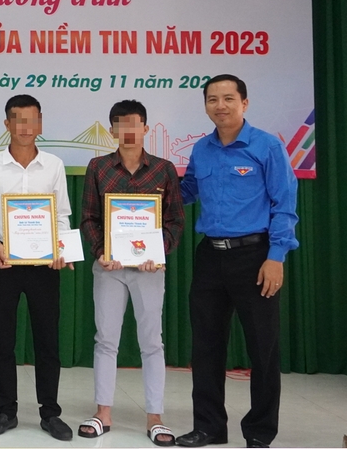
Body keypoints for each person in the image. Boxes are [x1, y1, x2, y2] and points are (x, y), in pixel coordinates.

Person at [176, 75, 298, 449]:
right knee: (206, 347)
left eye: (228, 98)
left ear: (244, 103)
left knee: (263, 348)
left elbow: (284, 204)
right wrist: (143, 197)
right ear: (205, 105)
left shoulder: (267, 146)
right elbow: (186, 191)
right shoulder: (202, 149)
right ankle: (209, 427)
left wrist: (276, 257)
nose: (220, 106)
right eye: (212, 99)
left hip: (255, 256)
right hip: (210, 257)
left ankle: (260, 432)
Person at [78, 100, 184, 446]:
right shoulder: (98, 167)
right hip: (109, 268)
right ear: (112, 130)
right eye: (120, 125)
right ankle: (103, 413)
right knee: (106, 339)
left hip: (148, 269)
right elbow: (89, 217)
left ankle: (155, 417)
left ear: (145, 129)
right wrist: (101, 251)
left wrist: (158, 251)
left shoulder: (164, 170)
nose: (128, 131)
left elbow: (175, 220)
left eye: (134, 125)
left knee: (152, 342)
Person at [0, 94, 74, 441]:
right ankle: (6, 410)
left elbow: (62, 216)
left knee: (47, 339)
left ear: (40, 124)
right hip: (4, 262)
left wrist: (60, 249)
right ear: (7, 124)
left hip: (45, 265)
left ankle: (50, 413)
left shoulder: (54, 165)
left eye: (32, 120)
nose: (25, 128)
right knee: (3, 339)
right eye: (18, 120)